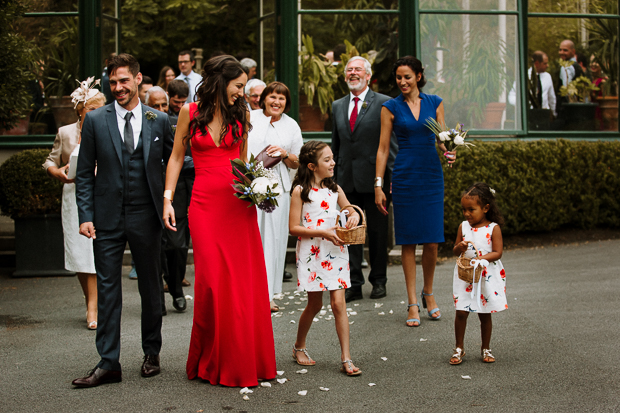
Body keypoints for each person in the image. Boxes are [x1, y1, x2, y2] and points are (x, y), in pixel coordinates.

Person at [163, 55, 276, 387]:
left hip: (237, 205)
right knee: (211, 283)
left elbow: (241, 161)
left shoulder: (241, 113)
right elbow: (175, 157)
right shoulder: (189, 112)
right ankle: (210, 358)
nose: (242, 92)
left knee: (240, 283)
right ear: (220, 81)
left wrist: (257, 187)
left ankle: (242, 359)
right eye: (238, 85)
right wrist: (168, 198)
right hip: (203, 206)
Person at [73, 53, 174, 388]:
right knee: (108, 289)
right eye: (112, 82)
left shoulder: (158, 120)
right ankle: (108, 362)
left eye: (123, 81)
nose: (117, 87)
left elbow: (176, 163)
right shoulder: (96, 121)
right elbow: (84, 174)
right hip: (106, 218)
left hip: (147, 216)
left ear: (138, 79)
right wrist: (85, 215)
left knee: (150, 288)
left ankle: (152, 352)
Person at [375, 56, 456, 327]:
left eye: (407, 76)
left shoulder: (435, 102)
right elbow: (383, 149)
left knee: (432, 240)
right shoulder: (390, 107)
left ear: (419, 76)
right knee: (408, 240)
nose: (402, 82)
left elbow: (442, 138)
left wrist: (449, 152)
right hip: (405, 175)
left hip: (431, 175)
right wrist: (378, 185)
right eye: (399, 77)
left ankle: (429, 294)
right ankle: (412, 302)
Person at [289, 140, 362, 376]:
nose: (333, 163)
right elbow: (294, 228)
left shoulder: (335, 189)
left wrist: (351, 216)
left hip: (336, 251)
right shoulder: (300, 191)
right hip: (313, 253)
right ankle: (299, 346)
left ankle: (346, 358)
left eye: (332, 158)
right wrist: (323, 232)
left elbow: (349, 209)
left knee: (338, 304)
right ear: (312, 166)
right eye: (327, 160)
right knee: (315, 304)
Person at [331, 56, 397, 303]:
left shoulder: (384, 103)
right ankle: (353, 283)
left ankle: (379, 281)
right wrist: (333, 179)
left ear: (368, 76)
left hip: (375, 180)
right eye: (349, 70)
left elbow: (390, 144)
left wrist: (387, 178)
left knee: (378, 234)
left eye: (358, 69)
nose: (353, 73)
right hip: (346, 181)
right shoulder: (337, 105)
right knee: (350, 234)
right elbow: (336, 146)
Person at [43, 78, 105, 331]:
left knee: (94, 252)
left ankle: (94, 306)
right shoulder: (65, 132)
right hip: (73, 196)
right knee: (80, 253)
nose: (98, 113)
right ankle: (91, 300)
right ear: (80, 109)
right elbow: (50, 160)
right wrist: (58, 172)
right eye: (92, 108)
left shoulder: (106, 129)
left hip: (101, 196)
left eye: (101, 108)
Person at [248, 81, 303, 312]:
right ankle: (248, 293)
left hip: (277, 189)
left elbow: (298, 161)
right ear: (264, 99)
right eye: (272, 97)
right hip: (249, 185)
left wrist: (284, 153)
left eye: (281, 98)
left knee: (273, 240)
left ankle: (269, 294)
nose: (276, 102)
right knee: (251, 239)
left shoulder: (291, 126)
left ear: (286, 103)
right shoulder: (251, 118)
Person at [450, 182, 507, 365]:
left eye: (471, 210)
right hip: (465, 275)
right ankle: (459, 348)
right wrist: (460, 247)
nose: (466, 214)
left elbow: (497, 252)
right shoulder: (463, 227)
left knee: (484, 313)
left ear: (485, 208)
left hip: (484, 275)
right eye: (464, 210)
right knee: (461, 312)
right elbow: (455, 250)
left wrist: (483, 258)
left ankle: (486, 348)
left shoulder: (493, 228)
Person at [508, 51, 556, 117]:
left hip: (544, 114)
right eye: (545, 63)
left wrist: (553, 114)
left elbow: (551, 97)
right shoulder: (524, 76)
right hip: (529, 114)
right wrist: (524, 105)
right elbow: (512, 96)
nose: (547, 66)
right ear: (537, 64)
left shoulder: (548, 77)